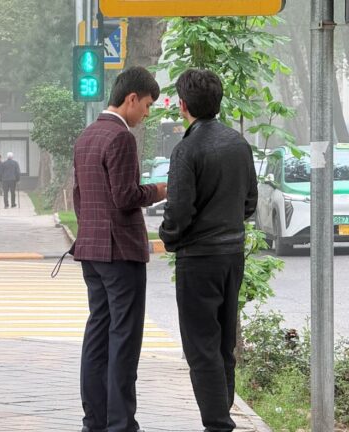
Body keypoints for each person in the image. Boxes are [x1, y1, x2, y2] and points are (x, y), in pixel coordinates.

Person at [159, 69, 257, 432]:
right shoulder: (238, 143)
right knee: (222, 343)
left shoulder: (186, 149)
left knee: (201, 347)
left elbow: (179, 211)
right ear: (218, 102)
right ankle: (223, 414)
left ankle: (218, 424)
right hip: (232, 255)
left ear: (183, 105)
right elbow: (250, 203)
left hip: (198, 259)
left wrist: (169, 237)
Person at [71, 66, 166, 432]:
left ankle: (94, 422)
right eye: (146, 105)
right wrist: (159, 190)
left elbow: (81, 198)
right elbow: (126, 196)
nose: (146, 113)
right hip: (121, 252)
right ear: (130, 99)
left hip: (91, 251)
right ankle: (122, 424)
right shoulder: (121, 138)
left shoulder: (87, 135)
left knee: (97, 335)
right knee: (124, 341)